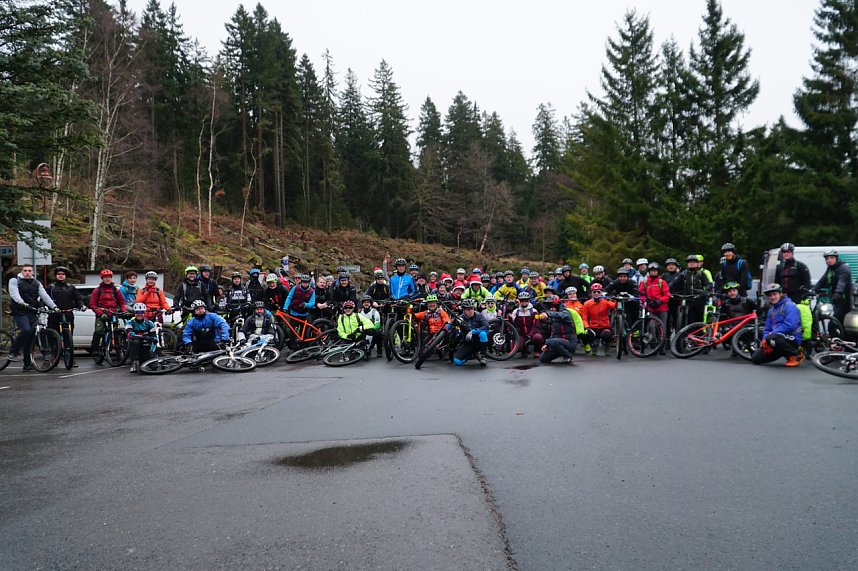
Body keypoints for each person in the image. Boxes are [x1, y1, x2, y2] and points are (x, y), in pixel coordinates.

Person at [8, 264, 58, 370]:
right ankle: (13, 352)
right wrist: (21, 302)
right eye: (25, 270)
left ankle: (27, 363)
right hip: (19, 310)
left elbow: (44, 295)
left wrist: (54, 306)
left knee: (31, 338)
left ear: (33, 272)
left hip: (32, 311)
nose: (27, 272)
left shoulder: (37, 283)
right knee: (26, 330)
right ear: (21, 271)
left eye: (29, 270)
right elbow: (14, 294)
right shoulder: (15, 281)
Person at [751, 283, 804, 367]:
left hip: (792, 338)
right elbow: (767, 328)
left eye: (774, 294)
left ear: (780, 294)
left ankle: (796, 355)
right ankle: (784, 353)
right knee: (755, 358)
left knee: (772, 337)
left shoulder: (790, 306)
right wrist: (764, 341)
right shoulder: (771, 310)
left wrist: (772, 334)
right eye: (770, 295)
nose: (772, 297)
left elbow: (791, 325)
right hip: (775, 339)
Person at [46, 266, 86, 368]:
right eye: (59, 274)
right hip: (54, 315)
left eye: (62, 274)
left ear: (65, 276)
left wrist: (82, 305)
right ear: (56, 276)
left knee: (68, 337)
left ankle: (70, 358)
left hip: (68, 315)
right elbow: (44, 299)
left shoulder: (71, 287)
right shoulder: (51, 287)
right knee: (53, 337)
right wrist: (45, 307)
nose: (60, 276)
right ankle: (52, 357)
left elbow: (78, 298)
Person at [88, 269, 127, 356]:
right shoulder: (97, 290)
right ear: (102, 278)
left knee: (116, 332)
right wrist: (100, 313)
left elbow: (122, 302)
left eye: (109, 277)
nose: (107, 279)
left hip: (113, 313)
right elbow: (92, 304)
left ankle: (118, 350)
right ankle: (95, 349)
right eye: (105, 277)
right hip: (101, 313)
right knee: (99, 331)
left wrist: (124, 310)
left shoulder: (115, 290)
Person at [535, 295, 581, 365]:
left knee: (551, 341)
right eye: (550, 307)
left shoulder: (565, 313)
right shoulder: (553, 317)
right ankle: (561, 351)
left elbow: (558, 315)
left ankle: (568, 355)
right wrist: (546, 345)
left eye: (553, 306)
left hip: (570, 342)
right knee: (543, 358)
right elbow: (553, 333)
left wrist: (547, 314)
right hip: (557, 343)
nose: (551, 308)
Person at [639, 262, 671, 354]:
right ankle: (654, 345)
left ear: (658, 272)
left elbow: (667, 295)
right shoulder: (644, 282)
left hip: (662, 308)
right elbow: (641, 294)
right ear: (649, 272)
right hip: (651, 308)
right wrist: (647, 301)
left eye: (655, 271)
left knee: (662, 327)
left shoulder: (662, 282)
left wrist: (659, 301)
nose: (653, 272)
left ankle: (662, 347)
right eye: (652, 271)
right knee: (652, 326)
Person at [670, 255, 711, 325]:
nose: (691, 263)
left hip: (699, 300)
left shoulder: (701, 273)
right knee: (689, 320)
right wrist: (667, 290)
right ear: (687, 264)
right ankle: (688, 334)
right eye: (689, 262)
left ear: (697, 264)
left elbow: (708, 284)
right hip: (688, 300)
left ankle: (699, 335)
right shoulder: (683, 274)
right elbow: (674, 283)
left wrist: (704, 292)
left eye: (693, 262)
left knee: (699, 320)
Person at [814, 250, 852, 323]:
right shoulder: (830, 269)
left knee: (834, 324)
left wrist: (838, 292)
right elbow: (822, 280)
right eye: (827, 259)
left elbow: (842, 282)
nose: (829, 260)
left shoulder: (843, 268)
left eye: (831, 258)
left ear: (836, 258)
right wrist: (812, 290)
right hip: (837, 301)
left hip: (845, 300)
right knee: (841, 323)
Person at [581, 283, 616, 356]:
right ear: (591, 293)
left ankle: (607, 347)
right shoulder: (587, 304)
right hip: (593, 327)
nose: (596, 293)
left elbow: (613, 306)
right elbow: (584, 318)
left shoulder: (605, 301)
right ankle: (594, 346)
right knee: (587, 335)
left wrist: (616, 300)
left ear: (601, 293)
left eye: (598, 292)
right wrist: (587, 327)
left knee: (607, 334)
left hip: (604, 327)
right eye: (594, 292)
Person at [453, 299, 489, 366]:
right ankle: (472, 355)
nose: (470, 311)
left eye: (472, 308)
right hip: (468, 343)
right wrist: (453, 323)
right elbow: (450, 325)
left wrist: (473, 332)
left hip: (479, 342)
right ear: (463, 310)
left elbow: (486, 326)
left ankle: (483, 356)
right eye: (468, 309)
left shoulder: (479, 316)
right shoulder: (461, 318)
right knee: (457, 361)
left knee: (483, 334)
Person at [510, 291, 543, 358]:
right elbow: (512, 324)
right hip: (521, 334)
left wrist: (530, 335)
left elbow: (536, 325)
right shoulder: (516, 311)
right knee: (518, 348)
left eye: (526, 300)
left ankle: (537, 351)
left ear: (529, 301)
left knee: (538, 337)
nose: (524, 302)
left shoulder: (534, 311)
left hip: (533, 333)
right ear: (519, 301)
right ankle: (524, 350)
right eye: (522, 301)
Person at [126, 303, 156, 373]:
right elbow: (131, 335)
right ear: (134, 313)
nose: (139, 314)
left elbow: (154, 339)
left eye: (141, 312)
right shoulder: (130, 322)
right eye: (137, 312)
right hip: (134, 346)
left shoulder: (150, 323)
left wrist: (152, 351)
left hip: (146, 346)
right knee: (136, 341)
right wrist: (144, 337)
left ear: (144, 313)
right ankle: (134, 363)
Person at [563, 287, 594, 354]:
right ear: (567, 295)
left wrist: (586, 326)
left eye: (574, 293)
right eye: (570, 294)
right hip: (568, 325)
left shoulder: (581, 305)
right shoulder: (564, 305)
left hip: (579, 325)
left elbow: (584, 317)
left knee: (584, 334)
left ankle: (586, 344)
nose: (572, 295)